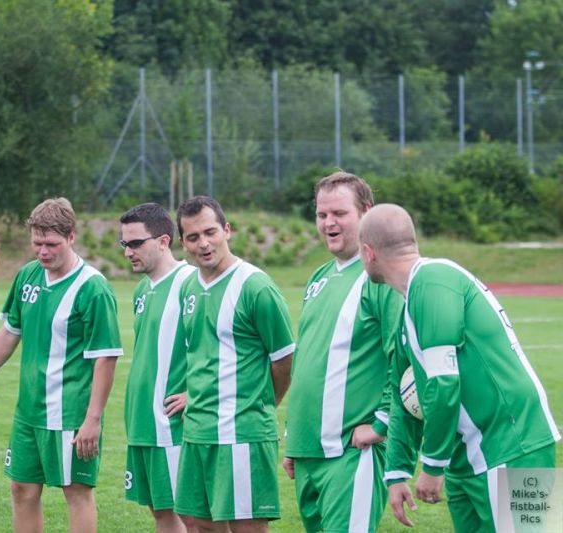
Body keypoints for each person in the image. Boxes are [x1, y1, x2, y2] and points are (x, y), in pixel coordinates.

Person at [359, 203, 561, 532]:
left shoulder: (434, 280)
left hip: (515, 445)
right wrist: (396, 473)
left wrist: (432, 465)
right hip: (466, 459)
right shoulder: (407, 314)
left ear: (368, 253)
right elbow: (401, 397)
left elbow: (443, 382)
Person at [0, 198, 123, 533]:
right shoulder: (28, 275)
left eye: (51, 244)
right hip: (29, 411)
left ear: (71, 237)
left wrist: (93, 419)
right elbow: (9, 332)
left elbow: (106, 358)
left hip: (70, 413)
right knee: (21, 488)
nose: (43, 252)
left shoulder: (93, 288)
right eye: (37, 243)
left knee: (76, 493)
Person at [282, 172, 403, 532]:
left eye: (339, 213)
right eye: (321, 215)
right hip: (308, 451)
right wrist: (295, 437)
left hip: (351, 451)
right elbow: (307, 361)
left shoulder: (380, 277)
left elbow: (404, 358)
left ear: (366, 212)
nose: (328, 223)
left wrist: (382, 422)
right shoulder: (319, 277)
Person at [174, 196, 295, 533]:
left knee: (247, 527)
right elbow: (201, 355)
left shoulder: (255, 286)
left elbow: (284, 359)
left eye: (210, 232)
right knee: (198, 521)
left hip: (243, 431)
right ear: (183, 243)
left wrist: (259, 404)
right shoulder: (188, 287)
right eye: (193, 237)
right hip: (197, 429)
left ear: (226, 230)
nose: (203, 243)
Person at [119, 203, 197, 533]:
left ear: (164, 241)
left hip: (173, 425)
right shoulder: (142, 289)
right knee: (161, 512)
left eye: (136, 243)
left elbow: (218, 348)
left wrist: (196, 393)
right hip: (142, 421)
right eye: (125, 244)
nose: (128, 252)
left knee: (194, 518)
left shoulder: (191, 282)